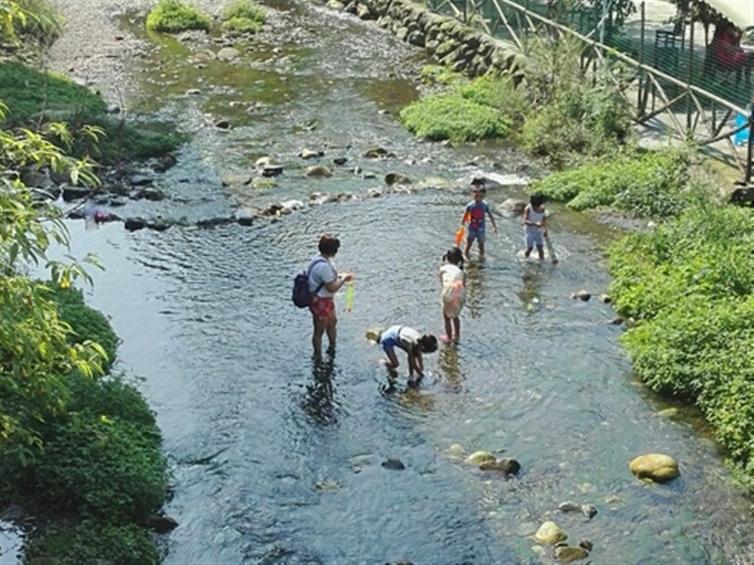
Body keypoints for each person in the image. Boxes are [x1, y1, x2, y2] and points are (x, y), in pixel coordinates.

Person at [308, 235, 352, 358]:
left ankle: (332, 346)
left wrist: (341, 276)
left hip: (326, 299)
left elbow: (329, 279)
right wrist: (343, 279)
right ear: (333, 250)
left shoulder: (319, 259)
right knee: (319, 330)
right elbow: (332, 287)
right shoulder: (323, 266)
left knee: (332, 322)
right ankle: (318, 355)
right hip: (320, 301)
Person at [462, 179, 498, 259]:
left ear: (484, 196)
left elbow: (490, 216)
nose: (478, 198)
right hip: (472, 227)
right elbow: (465, 215)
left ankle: (481, 258)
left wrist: (494, 226)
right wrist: (462, 225)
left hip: (481, 228)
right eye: (476, 196)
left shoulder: (485, 205)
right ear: (473, 195)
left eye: (481, 196)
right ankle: (466, 256)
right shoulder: (470, 205)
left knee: (481, 245)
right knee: (469, 244)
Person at [439, 247, 466, 343]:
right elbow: (464, 285)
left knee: (446, 317)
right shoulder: (461, 272)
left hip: (449, 292)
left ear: (447, 258)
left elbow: (442, 283)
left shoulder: (443, 269)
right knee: (455, 315)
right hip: (460, 293)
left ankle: (448, 337)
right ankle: (457, 335)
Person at [523, 194, 548, 261]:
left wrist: (545, 229)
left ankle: (542, 263)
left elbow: (544, 220)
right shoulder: (528, 208)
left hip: (538, 231)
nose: (537, 207)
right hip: (529, 231)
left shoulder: (543, 209)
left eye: (538, 206)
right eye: (536, 206)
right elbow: (525, 221)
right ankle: (525, 259)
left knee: (540, 248)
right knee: (530, 248)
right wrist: (534, 224)